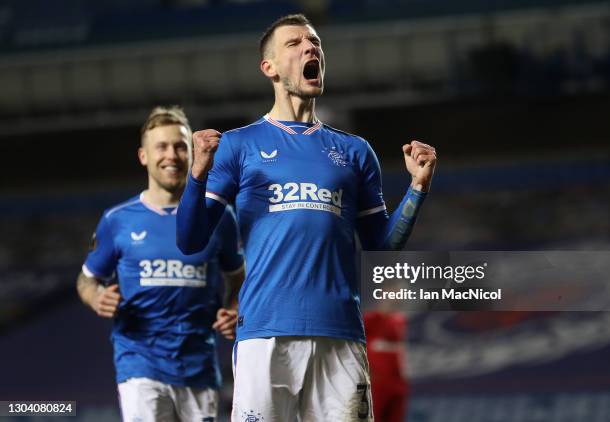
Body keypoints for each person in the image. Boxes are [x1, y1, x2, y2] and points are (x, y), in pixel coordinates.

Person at [177, 14, 437, 421]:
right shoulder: (238, 146)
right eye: (295, 43)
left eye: (314, 42)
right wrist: (196, 176)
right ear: (270, 68)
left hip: (340, 334)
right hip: (265, 333)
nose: (310, 48)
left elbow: (380, 247)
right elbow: (190, 240)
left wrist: (417, 189)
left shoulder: (354, 152)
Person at [77, 106, 245, 422]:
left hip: (199, 365)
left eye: (181, 146)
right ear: (143, 156)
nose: (172, 154)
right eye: (162, 146)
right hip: (140, 363)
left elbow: (238, 278)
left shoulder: (220, 217)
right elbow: (86, 280)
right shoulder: (117, 221)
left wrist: (234, 309)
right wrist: (96, 297)